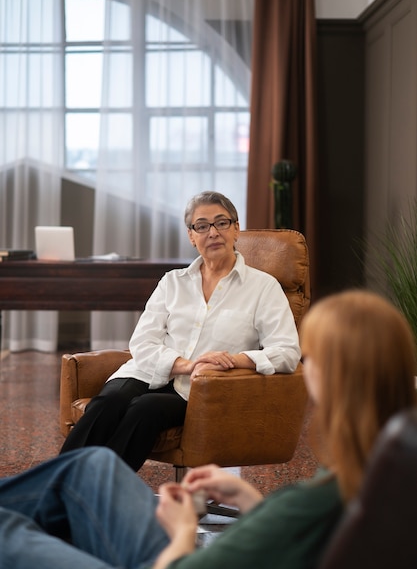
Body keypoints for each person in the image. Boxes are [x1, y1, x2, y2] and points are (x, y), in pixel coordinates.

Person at [0, 289, 416, 569]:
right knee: (94, 465)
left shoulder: (314, 502)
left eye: (315, 360)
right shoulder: (378, 481)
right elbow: (300, 546)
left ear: (333, 379)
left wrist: (182, 529)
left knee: (7, 531)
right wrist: (253, 505)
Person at [59, 190, 301, 470]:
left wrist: (233, 361)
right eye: (202, 226)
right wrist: (185, 364)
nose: (212, 232)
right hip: (149, 372)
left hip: (202, 388)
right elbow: (142, 342)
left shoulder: (264, 287)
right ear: (191, 235)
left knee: (144, 410)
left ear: (236, 230)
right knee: (107, 404)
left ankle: (100, 494)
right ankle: (53, 485)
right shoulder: (172, 282)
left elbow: (286, 352)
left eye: (221, 223)